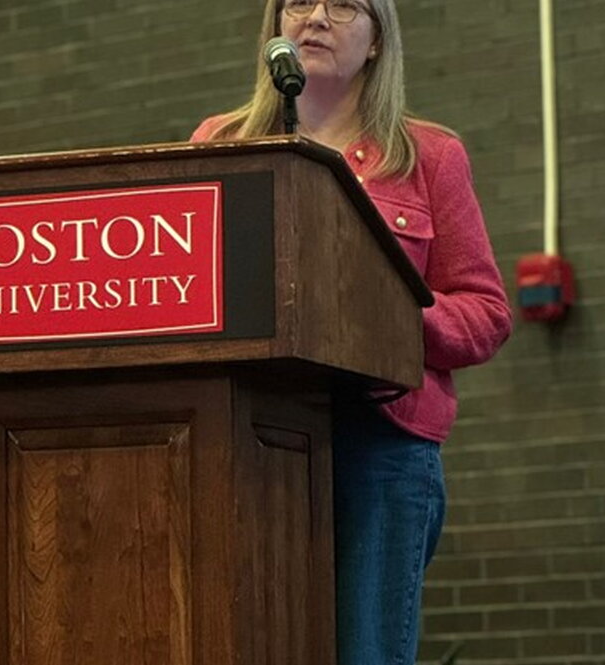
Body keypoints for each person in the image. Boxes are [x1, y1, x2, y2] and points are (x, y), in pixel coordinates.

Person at [190, 1, 512, 663]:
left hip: (380, 446)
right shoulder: (220, 145)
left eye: (342, 4)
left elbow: (484, 313)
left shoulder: (428, 156)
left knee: (366, 650)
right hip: (250, 438)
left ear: (375, 42)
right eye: (298, 3)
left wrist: (382, 308)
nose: (315, 18)